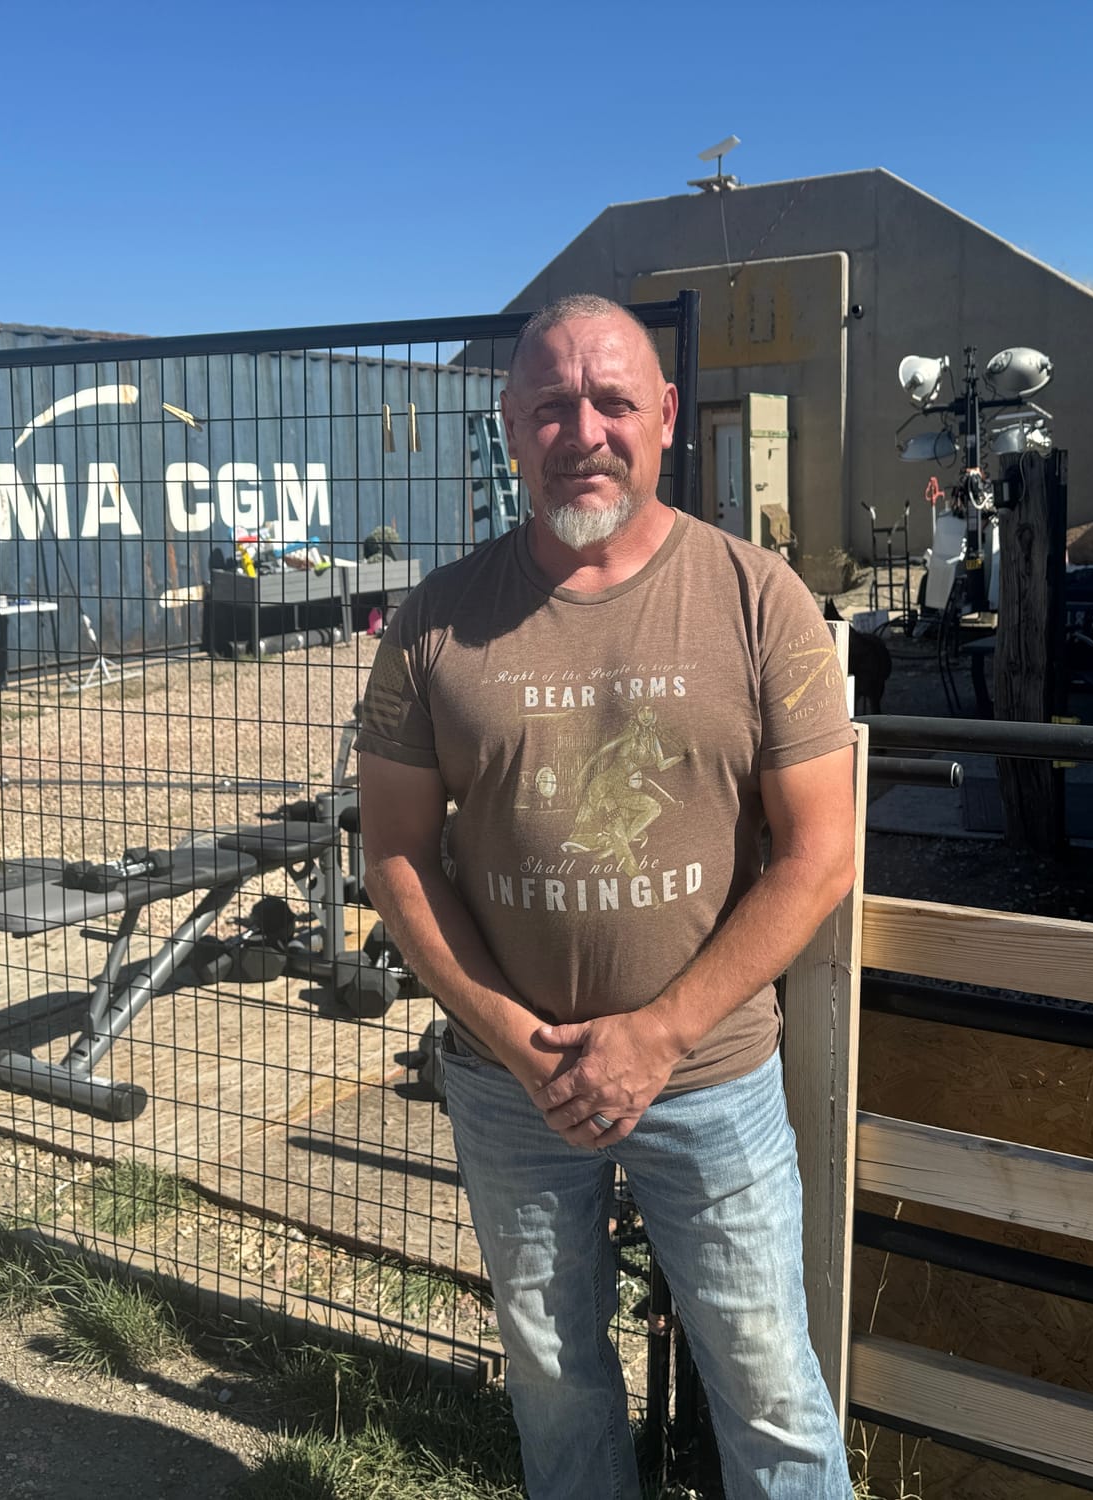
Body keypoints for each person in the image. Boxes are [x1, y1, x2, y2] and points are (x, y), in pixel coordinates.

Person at [356, 292, 857, 1500]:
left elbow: (819, 855)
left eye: (612, 399)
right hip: (505, 1080)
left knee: (770, 1391)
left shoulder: (756, 599)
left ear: (665, 417)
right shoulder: (433, 625)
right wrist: (516, 1040)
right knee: (554, 1382)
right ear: (511, 428)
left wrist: (658, 1034)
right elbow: (398, 858)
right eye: (549, 405)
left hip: (710, 1078)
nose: (582, 427)